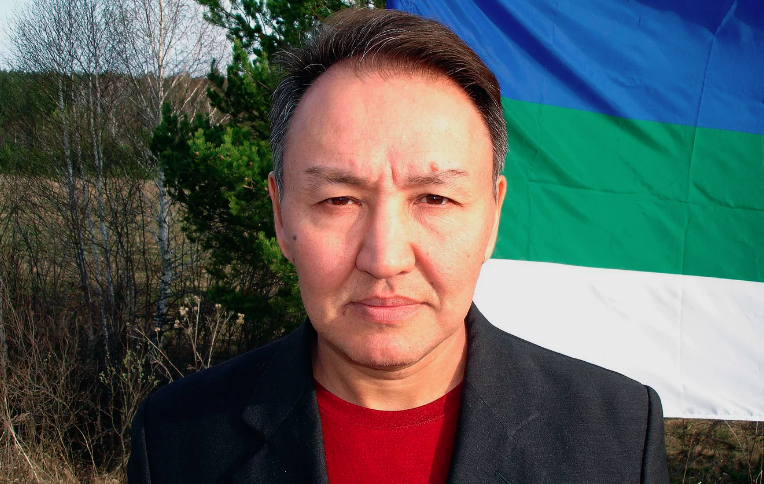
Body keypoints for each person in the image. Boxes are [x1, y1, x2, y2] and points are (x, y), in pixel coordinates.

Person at [128, 8, 669, 484]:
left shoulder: (620, 437)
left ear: (493, 217)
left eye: (434, 198)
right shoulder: (176, 439)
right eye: (339, 200)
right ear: (280, 213)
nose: (384, 258)